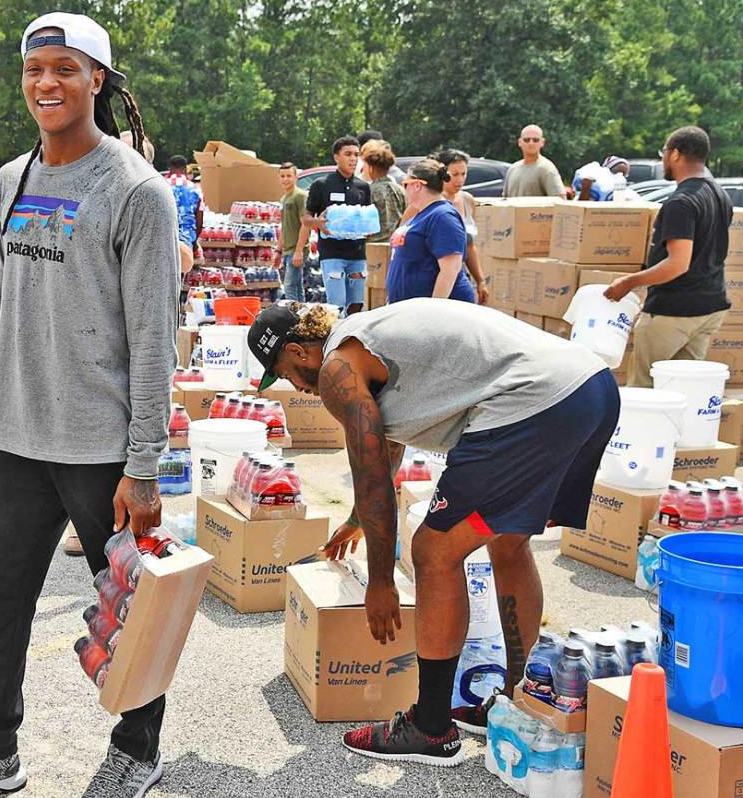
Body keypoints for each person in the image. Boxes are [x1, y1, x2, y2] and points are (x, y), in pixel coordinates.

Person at [0, 12, 179, 798]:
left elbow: (153, 338)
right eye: (35, 69)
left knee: (132, 610)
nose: (47, 84)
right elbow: (3, 302)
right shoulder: (12, 177)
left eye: (65, 68)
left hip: (102, 448)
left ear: (98, 80)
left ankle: (137, 751)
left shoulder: (136, 190)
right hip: (18, 440)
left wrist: (143, 463)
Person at [247, 298, 618, 763]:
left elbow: (372, 474)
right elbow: (387, 446)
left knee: (434, 550)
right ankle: (520, 703)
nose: (294, 387)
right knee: (507, 539)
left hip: (534, 403)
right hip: (590, 388)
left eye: (283, 372)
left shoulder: (335, 369)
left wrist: (380, 581)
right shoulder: (368, 337)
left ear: (300, 352)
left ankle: (431, 726)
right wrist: (358, 520)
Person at [604, 126, 732, 387]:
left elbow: (678, 263)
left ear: (675, 154)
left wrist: (628, 282)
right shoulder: (720, 195)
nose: (663, 158)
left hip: (675, 311)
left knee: (644, 389)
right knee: (683, 390)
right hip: (709, 307)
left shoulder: (681, 202)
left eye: (664, 151)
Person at [386, 158, 475, 304]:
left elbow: (450, 269)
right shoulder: (422, 214)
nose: (404, 188)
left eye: (406, 184)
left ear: (418, 185)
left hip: (437, 313)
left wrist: (433, 309)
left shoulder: (443, 216)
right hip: (410, 309)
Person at [305, 135, 372, 314]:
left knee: (356, 305)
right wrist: (317, 222)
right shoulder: (322, 185)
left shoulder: (363, 187)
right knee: (337, 305)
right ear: (336, 157)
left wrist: (370, 229)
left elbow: (368, 218)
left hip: (357, 253)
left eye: (356, 155)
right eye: (348, 154)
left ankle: (353, 341)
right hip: (332, 253)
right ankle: (336, 340)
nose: (353, 158)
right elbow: (305, 218)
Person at [437, 149, 490, 305]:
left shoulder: (467, 200)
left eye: (463, 174)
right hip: (436, 275)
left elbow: (469, 244)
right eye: (455, 174)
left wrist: (480, 280)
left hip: (461, 276)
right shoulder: (432, 200)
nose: (459, 180)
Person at [360, 140, 406, 242]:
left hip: (372, 247)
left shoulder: (368, 191)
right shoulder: (401, 191)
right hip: (396, 245)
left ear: (371, 168)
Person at [503, 125, 565, 198]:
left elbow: (560, 201)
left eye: (535, 140)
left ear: (542, 142)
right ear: (520, 142)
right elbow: (505, 200)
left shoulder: (546, 169)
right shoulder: (512, 169)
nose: (531, 143)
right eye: (526, 140)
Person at [165, 154, 203, 276]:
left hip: (165, 239)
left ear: (170, 169)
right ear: (186, 169)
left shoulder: (162, 185)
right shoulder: (195, 189)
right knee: (182, 275)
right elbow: (199, 220)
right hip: (186, 240)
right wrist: (194, 242)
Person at [280, 162, 308, 301]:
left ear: (296, 177)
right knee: (296, 285)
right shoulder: (284, 199)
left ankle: (292, 313)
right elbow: (283, 225)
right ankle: (300, 314)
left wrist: (299, 250)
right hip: (287, 249)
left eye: (289, 176)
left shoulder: (300, 196)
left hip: (296, 249)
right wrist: (278, 250)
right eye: (283, 176)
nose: (286, 179)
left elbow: (305, 224)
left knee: (289, 285)